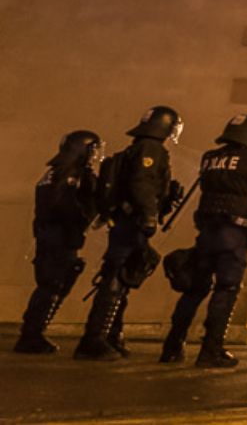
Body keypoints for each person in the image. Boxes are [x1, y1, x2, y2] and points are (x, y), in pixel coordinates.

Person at [160, 115, 247, 367]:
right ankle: (211, 348)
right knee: (227, 289)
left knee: (195, 289)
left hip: (207, 231)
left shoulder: (211, 158)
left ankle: (172, 345)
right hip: (234, 232)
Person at [75, 106, 185, 361]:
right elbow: (142, 183)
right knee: (117, 276)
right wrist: (149, 214)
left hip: (122, 219)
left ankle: (111, 334)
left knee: (123, 275)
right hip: (130, 221)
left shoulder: (135, 147)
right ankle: (94, 339)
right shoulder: (151, 149)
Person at [15, 130, 102, 354]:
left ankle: (33, 332)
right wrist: (86, 214)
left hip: (50, 236)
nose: (96, 155)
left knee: (52, 283)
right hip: (60, 237)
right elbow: (65, 207)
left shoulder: (55, 172)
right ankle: (32, 335)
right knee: (53, 285)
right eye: (93, 150)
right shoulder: (69, 173)